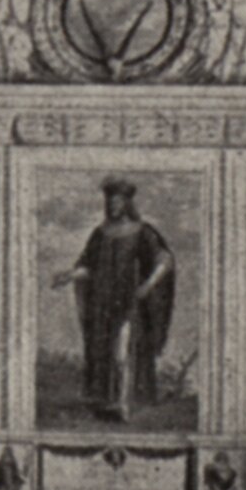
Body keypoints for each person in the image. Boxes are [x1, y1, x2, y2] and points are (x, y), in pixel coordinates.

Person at [68, 177, 178, 427]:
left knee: (123, 353)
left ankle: (125, 403)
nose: (113, 206)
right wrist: (70, 275)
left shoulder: (143, 231)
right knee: (105, 352)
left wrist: (148, 285)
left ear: (127, 203)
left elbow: (165, 260)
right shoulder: (100, 234)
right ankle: (110, 401)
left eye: (117, 202)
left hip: (129, 303)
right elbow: (88, 266)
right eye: (110, 202)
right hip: (103, 305)